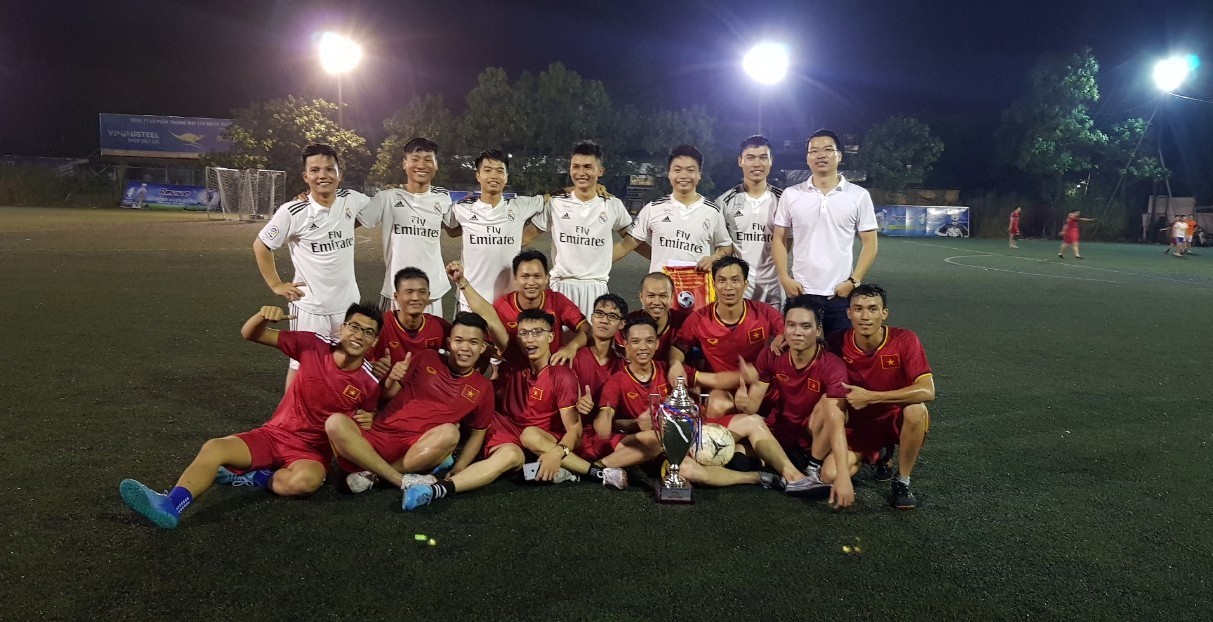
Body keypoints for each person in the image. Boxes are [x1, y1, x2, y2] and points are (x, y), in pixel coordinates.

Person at [118, 303, 383, 529]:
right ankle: (171, 505)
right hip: (274, 435)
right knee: (215, 448)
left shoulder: (370, 382)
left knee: (306, 483)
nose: (359, 335)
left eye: (368, 332)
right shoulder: (313, 344)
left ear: (374, 342)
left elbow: (365, 418)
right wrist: (261, 317)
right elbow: (251, 334)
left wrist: (367, 420)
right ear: (342, 328)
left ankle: (255, 477)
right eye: (354, 327)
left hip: (310, 452)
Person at [402, 269, 624, 510]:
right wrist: (462, 283)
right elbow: (489, 316)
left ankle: (594, 473)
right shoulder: (517, 357)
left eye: (537, 333)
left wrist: (557, 453)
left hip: (542, 439)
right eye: (524, 334)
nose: (530, 339)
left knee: (530, 435)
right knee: (509, 455)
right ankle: (436, 490)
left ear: (551, 337)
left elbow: (575, 431)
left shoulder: (561, 374)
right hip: (508, 431)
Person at [328, 311, 495, 493]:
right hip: (378, 434)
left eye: (473, 342)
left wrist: (460, 466)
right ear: (449, 343)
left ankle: (373, 476)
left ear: (482, 347)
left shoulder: (483, 387)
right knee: (334, 422)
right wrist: (392, 378)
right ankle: (397, 478)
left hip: (415, 450)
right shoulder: (427, 357)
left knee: (450, 433)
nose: (465, 348)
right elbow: (388, 394)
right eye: (459, 340)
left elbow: (478, 433)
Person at [253, 143, 373, 389]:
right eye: (315, 170)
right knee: (301, 367)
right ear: (305, 176)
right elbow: (261, 245)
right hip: (310, 307)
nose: (323, 175)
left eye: (329, 169)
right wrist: (276, 284)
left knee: (347, 363)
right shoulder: (293, 211)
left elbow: (371, 212)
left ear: (340, 174)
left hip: (348, 306)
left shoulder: (352, 199)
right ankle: (290, 414)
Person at [734, 296, 855, 508]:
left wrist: (844, 476)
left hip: (814, 433)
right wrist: (743, 403)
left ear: (818, 331)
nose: (797, 332)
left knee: (830, 408)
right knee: (734, 455)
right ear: (784, 329)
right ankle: (789, 463)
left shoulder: (832, 365)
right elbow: (753, 406)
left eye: (805, 326)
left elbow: (836, 421)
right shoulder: (771, 354)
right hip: (782, 428)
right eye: (791, 325)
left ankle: (812, 467)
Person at [827, 284, 935, 509]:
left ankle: (902, 481)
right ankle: (877, 453)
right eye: (858, 309)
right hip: (858, 424)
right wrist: (781, 339)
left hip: (892, 419)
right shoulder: (836, 342)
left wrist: (872, 397)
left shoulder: (904, 339)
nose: (865, 316)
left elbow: (927, 390)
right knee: (830, 475)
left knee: (916, 409)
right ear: (848, 313)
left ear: (884, 313)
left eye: (873, 309)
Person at [771, 129, 878, 336]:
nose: (820, 155)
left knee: (841, 350)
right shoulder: (791, 194)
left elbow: (870, 243)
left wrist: (854, 281)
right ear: (807, 158)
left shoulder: (858, 195)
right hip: (801, 292)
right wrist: (784, 277)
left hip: (840, 294)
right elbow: (779, 239)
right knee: (800, 351)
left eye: (828, 150)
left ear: (839, 156)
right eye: (814, 151)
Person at [526, 141, 634, 317]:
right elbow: (526, 237)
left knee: (594, 335)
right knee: (557, 335)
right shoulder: (556, 203)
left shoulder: (612, 204)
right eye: (576, 166)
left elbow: (631, 239)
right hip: (561, 287)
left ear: (600, 171)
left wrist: (604, 258)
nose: (581, 172)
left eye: (587, 167)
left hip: (596, 288)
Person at [444, 149, 545, 309]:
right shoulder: (462, 209)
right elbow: (448, 227)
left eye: (500, 171)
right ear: (478, 175)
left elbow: (549, 199)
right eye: (488, 170)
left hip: (509, 304)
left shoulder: (519, 206)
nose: (494, 176)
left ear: (506, 177)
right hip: (470, 301)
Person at [364, 137, 453, 316]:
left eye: (428, 160)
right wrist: (312, 197)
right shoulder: (387, 197)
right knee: (390, 335)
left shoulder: (443, 198)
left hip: (432, 291)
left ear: (436, 165)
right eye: (415, 159)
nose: (421, 165)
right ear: (405, 163)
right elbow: (348, 220)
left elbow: (455, 229)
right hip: (396, 291)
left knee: (432, 334)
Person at [614, 144, 733, 273]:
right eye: (677, 170)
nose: (683, 175)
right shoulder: (653, 209)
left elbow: (725, 247)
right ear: (669, 173)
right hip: (660, 285)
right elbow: (626, 245)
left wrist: (714, 258)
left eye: (690, 170)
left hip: (695, 284)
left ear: (699, 174)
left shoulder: (712, 212)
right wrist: (597, 263)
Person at [670, 256, 784, 374]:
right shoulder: (699, 319)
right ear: (714, 284)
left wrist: (783, 335)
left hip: (758, 382)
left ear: (745, 284)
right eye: (722, 280)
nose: (728, 287)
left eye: (735, 280)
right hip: (716, 383)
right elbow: (678, 347)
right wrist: (676, 365)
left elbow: (788, 329)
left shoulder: (764, 312)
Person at [491, 250, 589, 369]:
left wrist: (572, 347)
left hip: (551, 370)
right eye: (525, 276)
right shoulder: (502, 306)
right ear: (515, 279)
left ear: (546, 278)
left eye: (537, 276)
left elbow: (587, 330)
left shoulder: (557, 301)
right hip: (515, 372)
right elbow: (485, 340)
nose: (531, 283)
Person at [717, 135, 784, 307]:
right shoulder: (724, 202)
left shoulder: (784, 200)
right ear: (740, 161)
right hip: (739, 291)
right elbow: (722, 246)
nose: (757, 163)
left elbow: (788, 242)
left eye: (763, 157)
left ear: (771, 161)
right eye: (750, 157)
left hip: (774, 289)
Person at [370, 267, 451, 370]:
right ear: (396, 296)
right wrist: (371, 367)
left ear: (428, 296)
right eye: (409, 292)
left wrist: (463, 284)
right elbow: (355, 360)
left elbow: (466, 345)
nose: (416, 297)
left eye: (422, 292)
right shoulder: (380, 324)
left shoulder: (438, 326)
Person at [614, 272, 692, 362]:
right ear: (641, 297)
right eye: (651, 296)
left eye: (663, 296)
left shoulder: (686, 322)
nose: (656, 302)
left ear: (672, 297)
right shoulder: (626, 325)